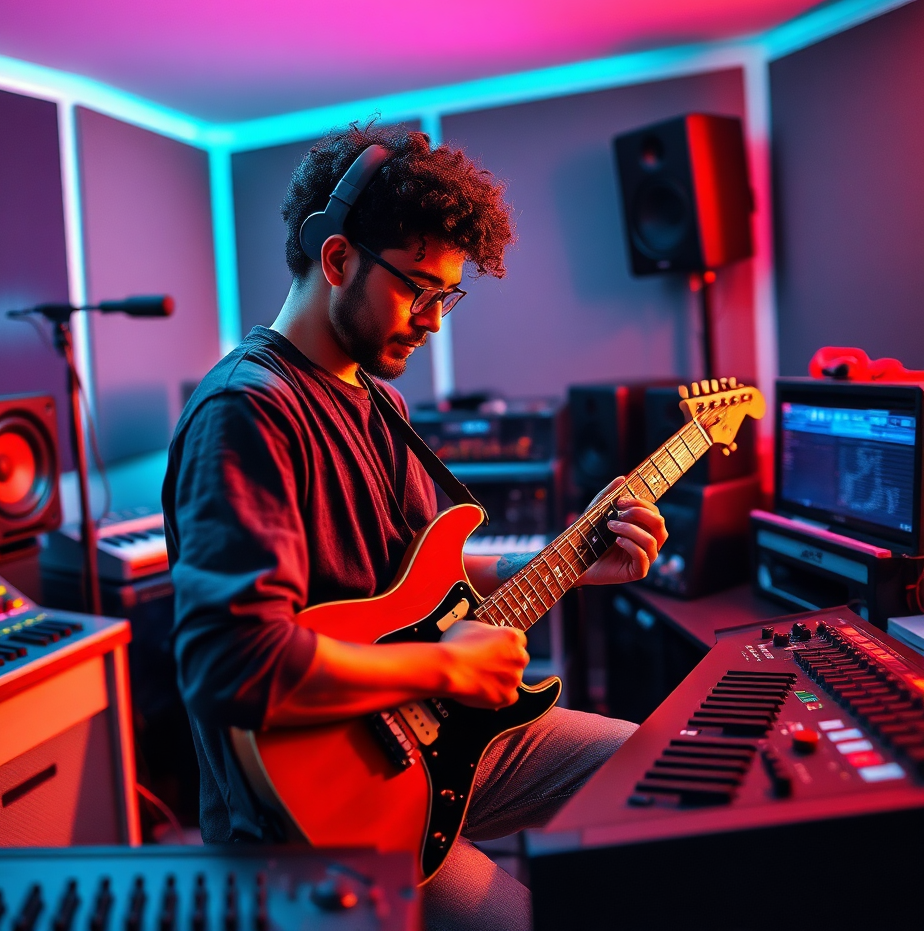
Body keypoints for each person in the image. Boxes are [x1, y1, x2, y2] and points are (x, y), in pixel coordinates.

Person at [163, 121, 668, 931]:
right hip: (317, 817)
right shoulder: (248, 411)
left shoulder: (381, 403)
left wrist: (571, 562)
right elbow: (235, 664)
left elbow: (427, 591)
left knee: (670, 774)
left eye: (448, 295)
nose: (434, 319)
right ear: (336, 260)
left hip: (438, 737)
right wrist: (439, 668)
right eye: (417, 289)